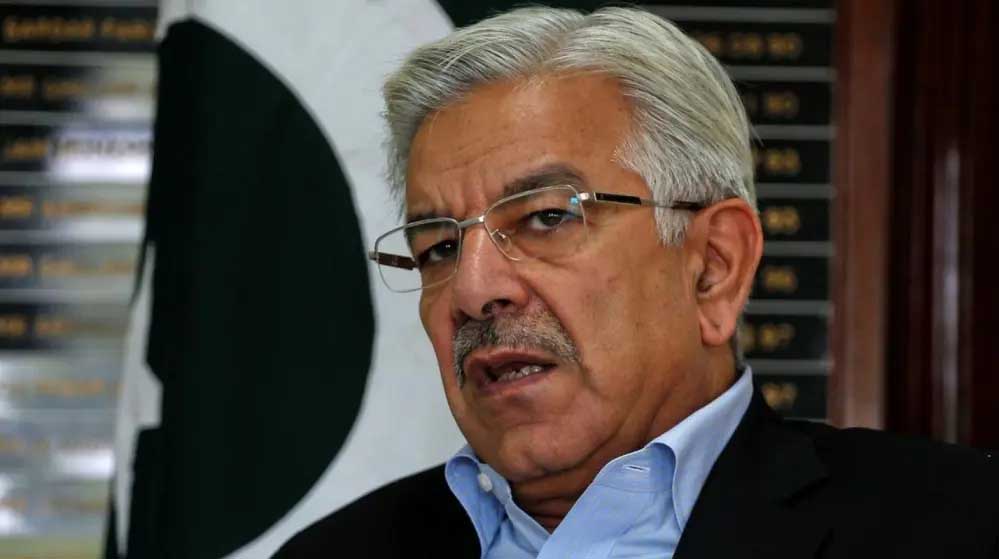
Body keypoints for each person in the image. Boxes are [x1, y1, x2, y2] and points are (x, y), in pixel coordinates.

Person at [276, 7, 997, 558]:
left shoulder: (958, 526)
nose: (472, 290)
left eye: (547, 217)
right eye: (438, 247)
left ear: (712, 267)